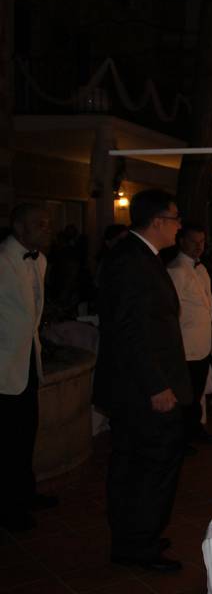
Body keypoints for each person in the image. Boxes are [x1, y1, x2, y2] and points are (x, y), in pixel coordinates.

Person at [93, 189, 191, 573]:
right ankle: (139, 544)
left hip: (140, 387)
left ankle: (135, 536)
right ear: (157, 222)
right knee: (150, 467)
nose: (180, 225)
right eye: (176, 218)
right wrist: (156, 386)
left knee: (135, 465)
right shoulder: (131, 261)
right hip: (142, 391)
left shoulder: (138, 257)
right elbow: (129, 332)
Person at [0, 204, 57, 532]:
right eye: (40, 224)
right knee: (7, 442)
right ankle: (9, 510)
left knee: (25, 435)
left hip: (27, 363)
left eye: (48, 224)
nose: (47, 229)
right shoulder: (3, 260)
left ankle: (25, 494)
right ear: (19, 228)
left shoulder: (41, 261)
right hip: (5, 367)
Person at [167, 223, 212, 447]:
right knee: (185, 398)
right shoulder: (176, 270)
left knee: (197, 393)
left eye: (202, 242)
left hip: (202, 345)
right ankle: (182, 439)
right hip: (186, 347)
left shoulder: (201, 269)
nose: (199, 246)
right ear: (181, 242)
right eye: (193, 242)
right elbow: (171, 313)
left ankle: (195, 431)